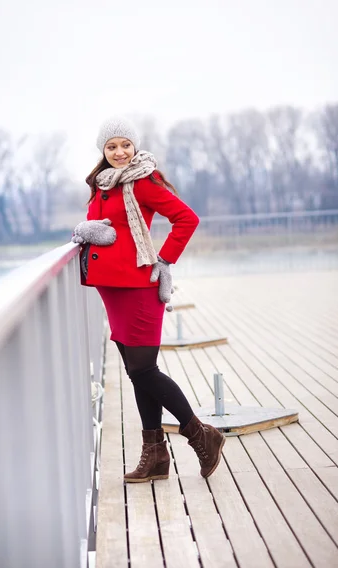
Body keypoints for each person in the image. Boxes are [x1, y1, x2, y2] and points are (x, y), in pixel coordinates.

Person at [72, 117, 225, 483]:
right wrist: (87, 230)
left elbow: (186, 219)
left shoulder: (143, 181)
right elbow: (107, 229)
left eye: (126, 144)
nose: (120, 152)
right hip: (112, 289)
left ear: (135, 146)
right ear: (103, 151)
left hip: (140, 287)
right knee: (138, 374)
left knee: (144, 372)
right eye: (112, 146)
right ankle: (155, 456)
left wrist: (166, 259)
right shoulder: (101, 183)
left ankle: (201, 434)